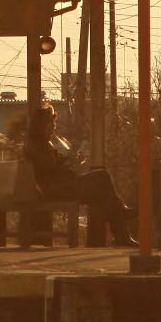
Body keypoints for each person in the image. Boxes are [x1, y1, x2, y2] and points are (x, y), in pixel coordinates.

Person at [21, 103, 135, 246]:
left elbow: (51, 169)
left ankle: (120, 232)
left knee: (103, 196)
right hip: (57, 189)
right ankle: (121, 221)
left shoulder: (36, 143)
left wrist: (66, 162)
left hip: (55, 187)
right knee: (102, 176)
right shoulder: (40, 145)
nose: (54, 127)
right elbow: (52, 171)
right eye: (52, 123)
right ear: (43, 125)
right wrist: (70, 163)